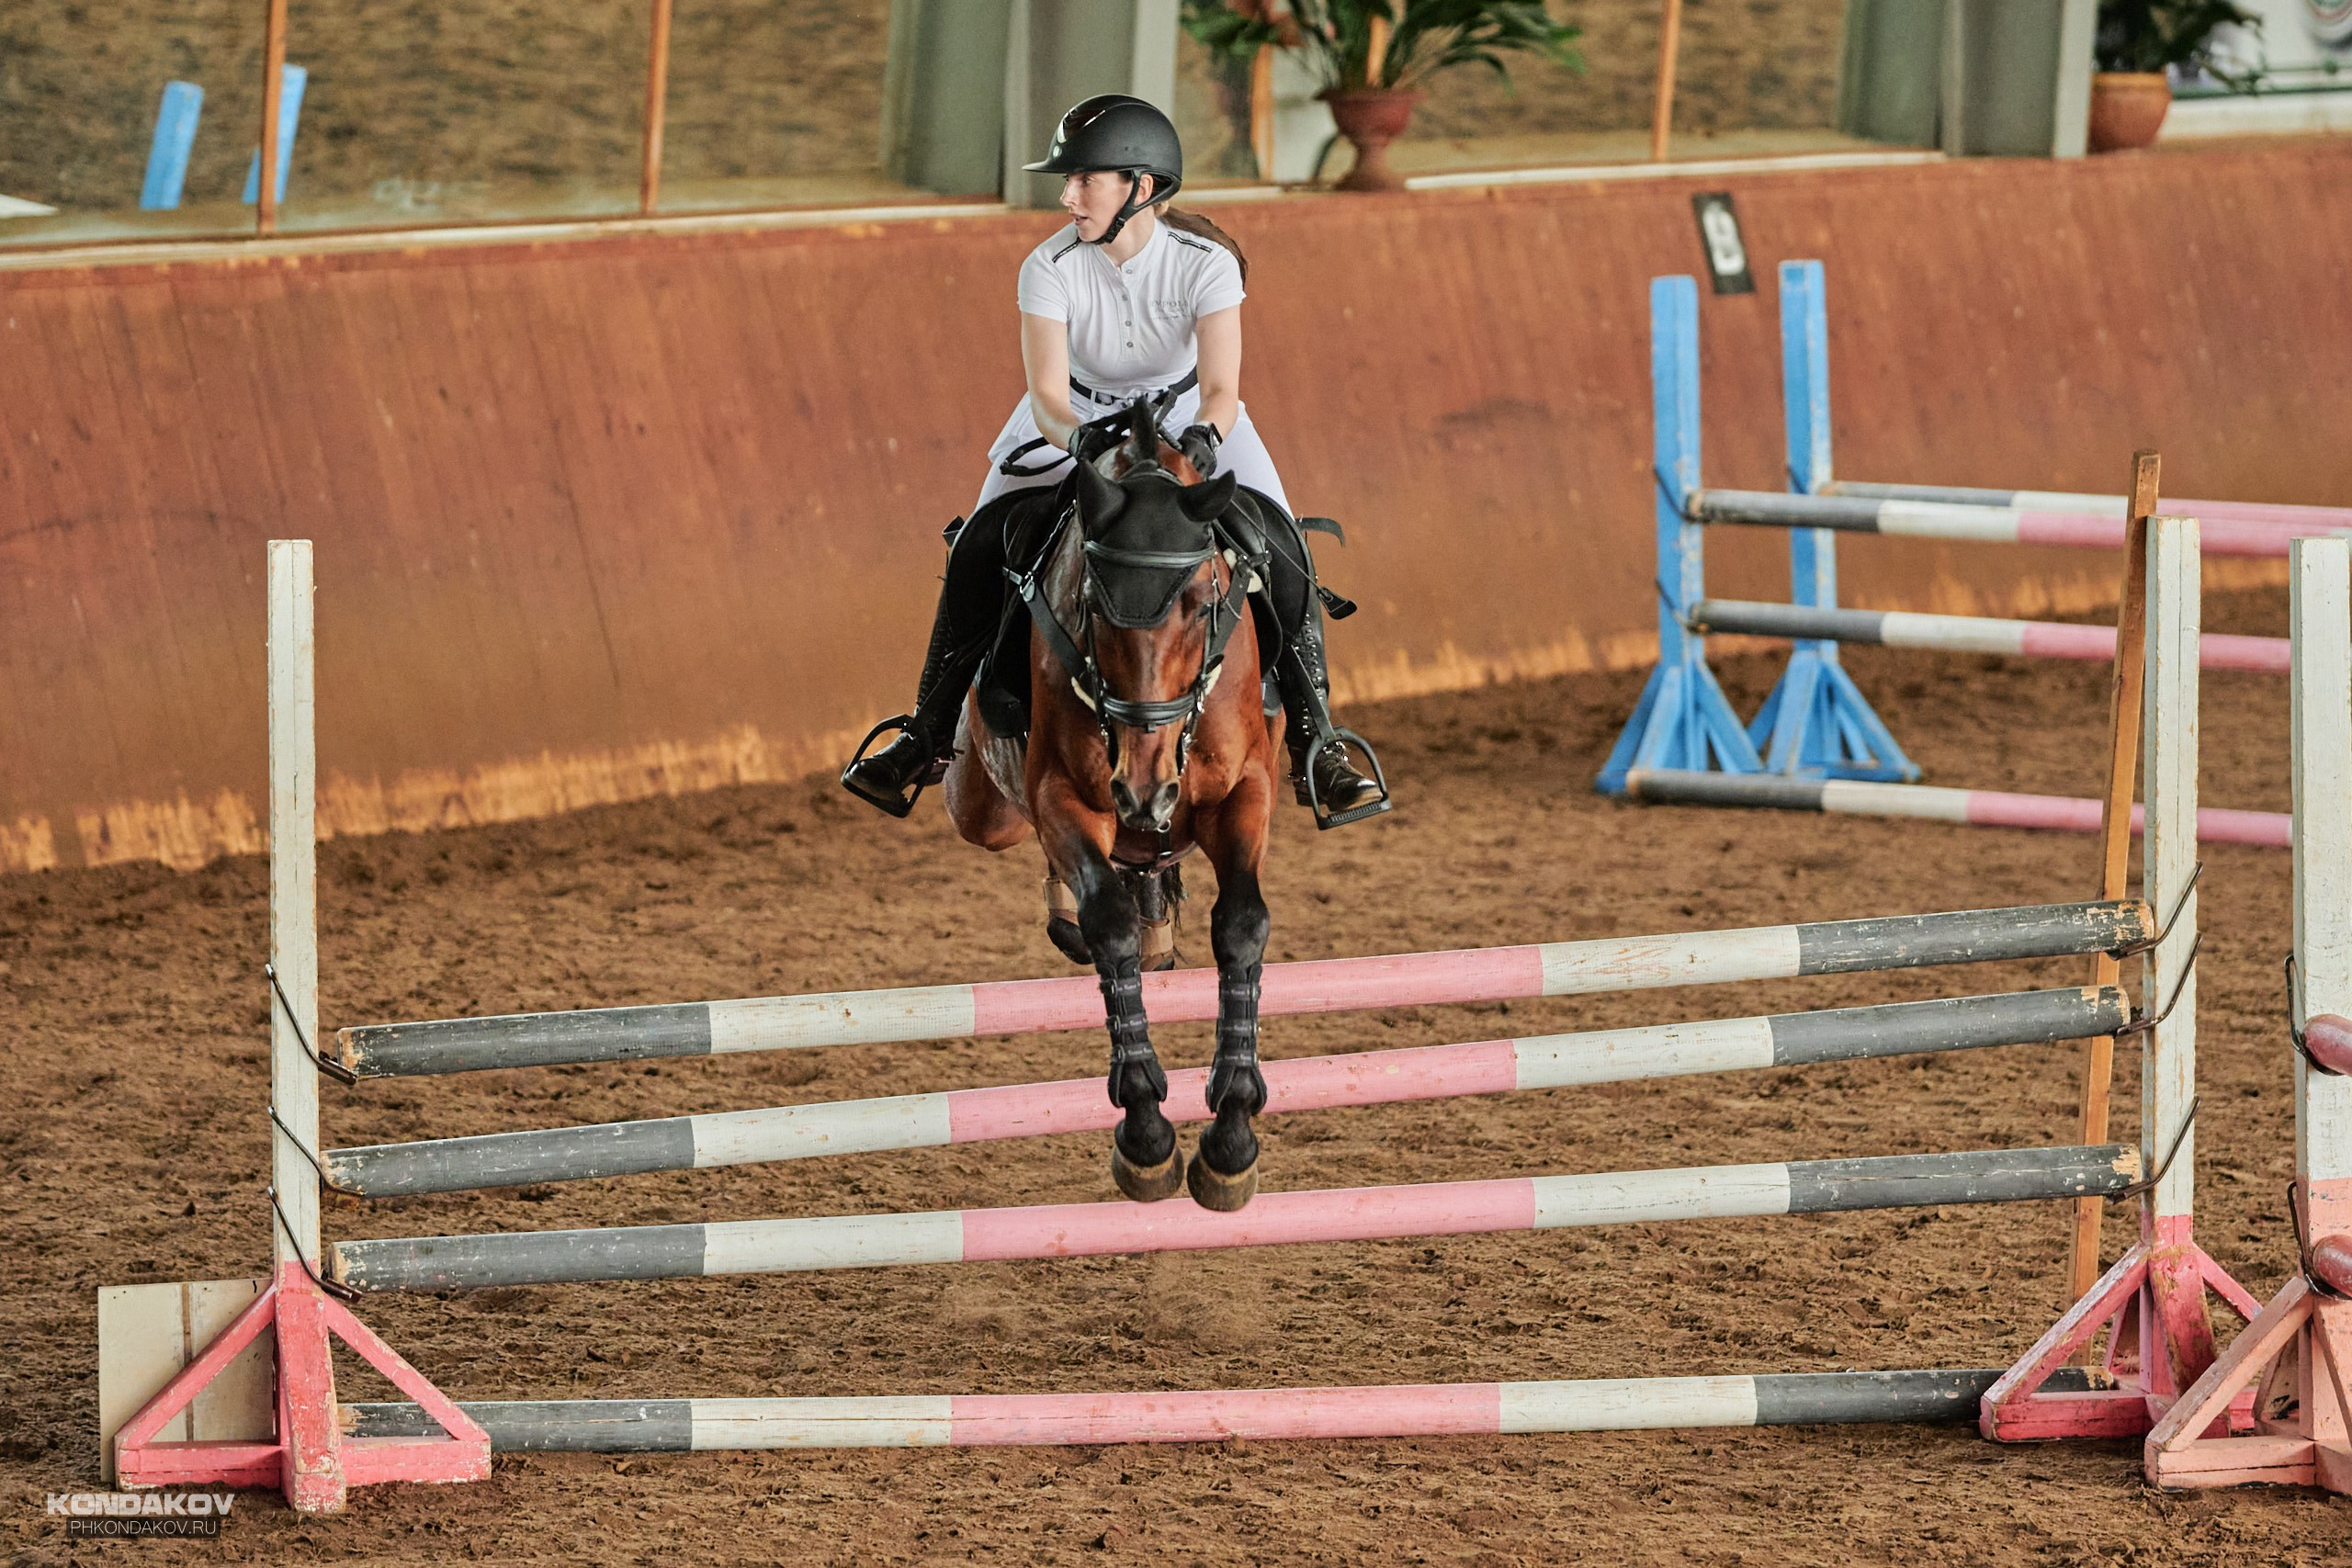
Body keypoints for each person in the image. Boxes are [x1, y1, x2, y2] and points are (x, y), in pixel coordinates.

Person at [841, 94, 1386, 828]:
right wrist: (1079, 441)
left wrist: (1205, 441)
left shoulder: (1207, 265)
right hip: (1076, 418)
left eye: (1084, 180)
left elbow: (1223, 386)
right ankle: (925, 731)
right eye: (1068, 181)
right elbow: (1044, 392)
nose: (1067, 195)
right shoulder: (1048, 266)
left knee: (1283, 543)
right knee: (979, 540)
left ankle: (1321, 742)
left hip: (1195, 418)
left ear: (1143, 186)